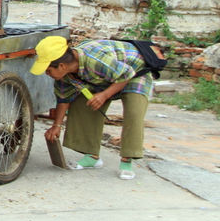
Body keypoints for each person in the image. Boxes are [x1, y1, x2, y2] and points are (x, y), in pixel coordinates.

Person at [31, 36, 152, 179]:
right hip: (106, 77)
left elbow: (126, 74)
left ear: (62, 66)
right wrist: (56, 125)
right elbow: (64, 98)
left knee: (134, 111)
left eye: (48, 70)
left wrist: (104, 95)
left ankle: (127, 161)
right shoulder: (65, 75)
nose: (47, 74)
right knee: (83, 103)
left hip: (135, 73)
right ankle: (92, 157)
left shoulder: (95, 60)